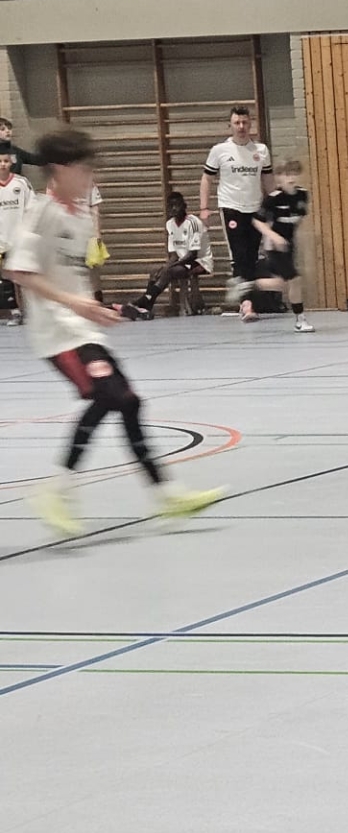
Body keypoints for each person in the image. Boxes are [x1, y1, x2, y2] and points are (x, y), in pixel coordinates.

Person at [5, 129, 223, 537]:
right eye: (84, 169)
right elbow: (18, 271)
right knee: (113, 397)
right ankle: (59, 492)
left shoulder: (80, 215)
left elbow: (72, 279)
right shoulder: (40, 212)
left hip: (82, 330)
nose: (91, 176)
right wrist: (75, 305)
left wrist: (100, 308)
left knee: (128, 402)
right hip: (57, 335)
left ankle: (165, 494)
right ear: (60, 169)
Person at [200, 105, 270, 322]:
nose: (241, 127)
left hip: (255, 208)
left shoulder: (261, 150)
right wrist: (204, 208)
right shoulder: (220, 150)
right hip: (231, 207)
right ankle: (247, 303)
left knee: (251, 255)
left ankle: (247, 298)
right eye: (237, 123)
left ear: (250, 124)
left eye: (245, 122)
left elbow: (267, 179)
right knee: (238, 253)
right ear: (230, 125)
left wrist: (274, 205)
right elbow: (207, 178)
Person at [123, 192, 208, 319]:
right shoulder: (170, 224)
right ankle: (147, 306)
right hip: (182, 261)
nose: (174, 209)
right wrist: (165, 267)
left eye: (177, 205)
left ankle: (145, 301)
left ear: (184, 206)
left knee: (171, 271)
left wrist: (170, 267)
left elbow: (193, 254)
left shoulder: (192, 222)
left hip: (200, 261)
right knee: (156, 272)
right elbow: (174, 255)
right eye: (170, 206)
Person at [253, 158, 314, 332]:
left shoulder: (302, 195)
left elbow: (297, 219)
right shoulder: (273, 199)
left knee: (283, 284)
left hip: (289, 245)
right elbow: (258, 221)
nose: (291, 178)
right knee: (295, 279)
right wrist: (275, 237)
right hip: (274, 246)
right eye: (287, 174)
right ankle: (300, 320)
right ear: (279, 177)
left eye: (294, 174)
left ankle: (250, 285)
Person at [0, 145, 31, 324]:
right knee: (7, 278)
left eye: (6, 161)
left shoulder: (21, 183)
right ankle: (15, 311)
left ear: (11, 162)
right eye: (0, 161)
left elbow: (32, 208)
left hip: (20, 238)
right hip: (2, 240)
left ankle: (30, 310)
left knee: (24, 277)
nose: (3, 164)